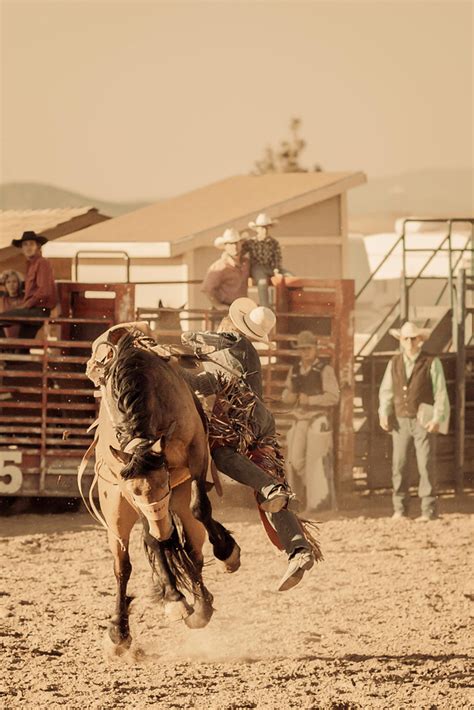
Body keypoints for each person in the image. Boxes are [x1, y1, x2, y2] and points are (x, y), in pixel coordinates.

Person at [182, 297, 317, 591]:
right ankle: (298, 549)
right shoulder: (242, 354)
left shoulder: (234, 341)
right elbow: (209, 382)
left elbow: (198, 343)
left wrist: (186, 342)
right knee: (268, 484)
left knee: (221, 453)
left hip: (242, 419)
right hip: (261, 420)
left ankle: (271, 490)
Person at [378, 321, 450, 521]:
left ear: (420, 340)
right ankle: (400, 509)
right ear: (401, 341)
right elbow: (386, 392)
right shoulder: (394, 363)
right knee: (399, 465)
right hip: (400, 421)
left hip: (422, 421)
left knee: (425, 464)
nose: (409, 342)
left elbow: (441, 393)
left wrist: (437, 418)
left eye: (413, 338)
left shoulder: (431, 362)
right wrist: (384, 413)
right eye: (406, 338)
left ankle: (428, 510)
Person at [282, 330, 340, 511]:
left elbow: (334, 397)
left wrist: (312, 400)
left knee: (314, 461)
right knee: (295, 459)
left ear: (316, 349)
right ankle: (317, 495)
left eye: (308, 348)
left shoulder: (325, 370)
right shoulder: (295, 370)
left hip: (318, 419)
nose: (305, 352)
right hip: (300, 418)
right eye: (302, 349)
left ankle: (317, 502)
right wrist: (289, 396)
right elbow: (286, 394)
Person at [0, 231, 57, 340]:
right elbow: (28, 287)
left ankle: (5, 348)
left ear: (37, 246)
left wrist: (26, 305)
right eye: (25, 245)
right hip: (34, 310)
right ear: (22, 248)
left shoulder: (42, 263)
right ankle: (10, 352)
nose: (28, 247)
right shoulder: (31, 265)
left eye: (31, 244)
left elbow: (44, 291)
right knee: (22, 345)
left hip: (39, 310)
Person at [241, 213, 290, 308]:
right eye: (261, 228)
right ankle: (265, 306)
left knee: (290, 276)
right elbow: (240, 252)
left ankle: (289, 304)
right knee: (262, 282)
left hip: (270, 267)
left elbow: (277, 257)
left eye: (266, 228)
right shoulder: (251, 242)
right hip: (257, 267)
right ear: (257, 229)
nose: (264, 230)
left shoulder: (273, 242)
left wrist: (276, 269)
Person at [201, 228, 250, 310]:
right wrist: (218, 305)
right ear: (225, 246)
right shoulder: (219, 266)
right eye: (230, 244)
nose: (234, 246)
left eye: (236, 243)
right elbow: (207, 289)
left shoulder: (246, 263)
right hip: (226, 308)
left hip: (242, 307)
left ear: (241, 244)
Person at [0, 270, 24, 338]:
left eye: (14, 282)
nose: (11, 285)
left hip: (22, 334)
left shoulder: (25, 299)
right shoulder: (1, 300)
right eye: (8, 282)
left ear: (19, 284)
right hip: (3, 336)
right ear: (5, 285)